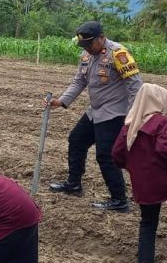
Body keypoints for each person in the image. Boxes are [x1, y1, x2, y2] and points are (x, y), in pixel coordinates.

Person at [48, 21, 143, 212]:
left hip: (115, 113)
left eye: (90, 45)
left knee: (105, 155)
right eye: (84, 46)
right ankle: (74, 184)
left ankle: (119, 200)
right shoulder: (87, 55)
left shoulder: (118, 54)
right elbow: (79, 81)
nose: (87, 49)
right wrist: (62, 101)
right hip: (96, 111)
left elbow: (135, 86)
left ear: (101, 37)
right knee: (76, 140)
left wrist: (133, 115)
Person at [112, 83, 167, 263]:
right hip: (163, 178)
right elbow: (164, 149)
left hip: (144, 183)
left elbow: (117, 154)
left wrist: (134, 167)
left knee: (148, 222)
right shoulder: (161, 122)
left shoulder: (130, 125)